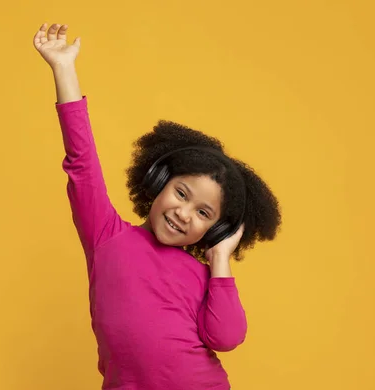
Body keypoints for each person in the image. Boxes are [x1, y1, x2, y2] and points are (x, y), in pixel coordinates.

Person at [33, 22, 281, 390]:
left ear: (214, 228)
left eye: (203, 213)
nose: (184, 213)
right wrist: (63, 68)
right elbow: (82, 164)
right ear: (158, 182)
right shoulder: (106, 235)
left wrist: (221, 261)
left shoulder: (203, 276)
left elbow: (227, 337)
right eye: (182, 194)